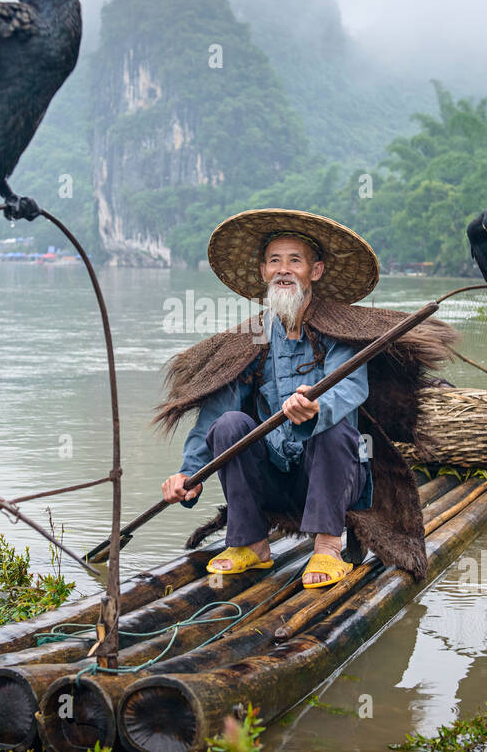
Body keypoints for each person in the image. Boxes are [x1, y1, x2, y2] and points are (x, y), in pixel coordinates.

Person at [154, 209, 459, 588]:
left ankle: (328, 548)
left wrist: (317, 408)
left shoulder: (338, 330)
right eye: (275, 261)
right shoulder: (251, 338)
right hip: (276, 481)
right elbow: (218, 408)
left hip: (333, 478)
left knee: (332, 430)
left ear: (314, 271)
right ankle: (251, 544)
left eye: (294, 261)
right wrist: (189, 472)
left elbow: (351, 388)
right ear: (263, 272)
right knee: (228, 425)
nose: (284, 270)